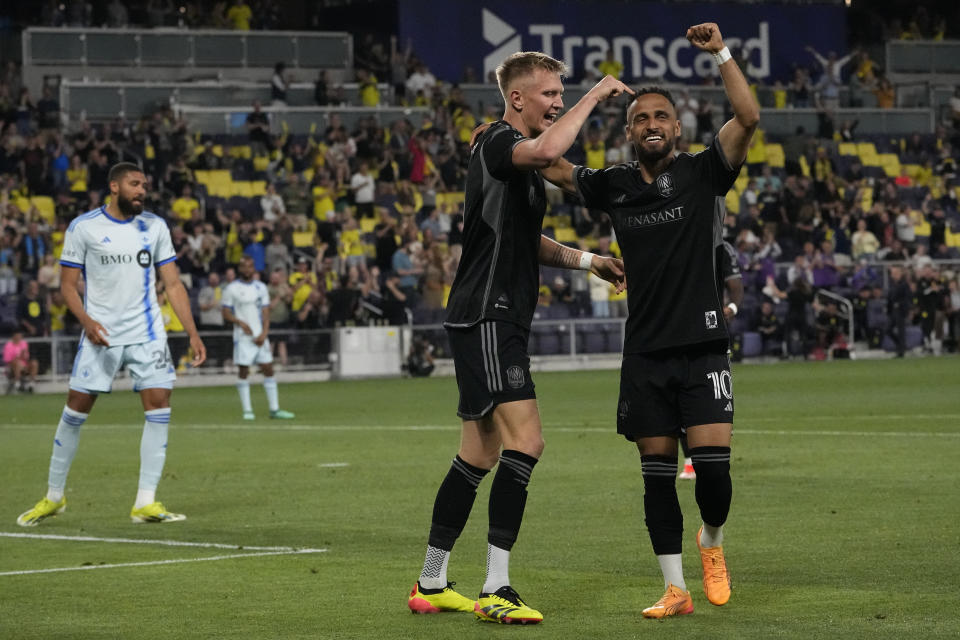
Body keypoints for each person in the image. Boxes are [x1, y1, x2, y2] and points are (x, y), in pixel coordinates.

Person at [540, 23, 758, 618]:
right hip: (645, 353)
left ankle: (711, 543)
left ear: (678, 127)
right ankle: (675, 588)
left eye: (661, 116)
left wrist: (722, 54)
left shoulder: (701, 173)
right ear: (629, 130)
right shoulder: (611, 184)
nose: (652, 125)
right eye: (641, 118)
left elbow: (747, 117)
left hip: (704, 346)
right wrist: (524, 129)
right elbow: (549, 164)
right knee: (657, 480)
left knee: (713, 477)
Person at [407, 52, 629, 624]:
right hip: (489, 315)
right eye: (551, 93)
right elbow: (551, 150)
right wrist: (596, 94)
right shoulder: (501, 141)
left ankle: (431, 581)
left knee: (478, 452)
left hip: (488, 316)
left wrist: (587, 261)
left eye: (562, 93)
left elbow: (528, 240)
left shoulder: (513, 160)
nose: (558, 101)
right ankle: (496, 588)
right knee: (525, 443)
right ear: (517, 98)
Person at [16, 162, 207, 527]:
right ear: (114, 187)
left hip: (148, 332)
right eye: (135, 184)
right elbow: (68, 288)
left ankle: (146, 502)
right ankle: (54, 496)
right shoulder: (84, 227)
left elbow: (174, 284)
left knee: (159, 404)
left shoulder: (155, 226)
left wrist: (192, 332)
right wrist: (86, 322)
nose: (142, 191)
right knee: (76, 408)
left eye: (145, 186)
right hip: (101, 334)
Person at [679, 240, 743, 480]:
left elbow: (735, 285)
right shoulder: (675, 239)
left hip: (711, 333)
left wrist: (733, 307)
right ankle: (689, 461)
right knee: (679, 399)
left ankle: (713, 454)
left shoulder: (721, 247)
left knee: (715, 397)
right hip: (678, 330)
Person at [221, 255, 295, 421]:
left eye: (250, 266)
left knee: (268, 368)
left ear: (253, 268)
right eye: (244, 266)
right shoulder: (231, 289)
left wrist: (264, 333)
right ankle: (247, 410)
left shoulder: (261, 287)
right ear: (240, 269)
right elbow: (225, 313)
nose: (247, 269)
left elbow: (266, 312)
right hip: (243, 336)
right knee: (243, 371)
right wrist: (240, 322)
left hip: (260, 335)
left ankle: (274, 409)